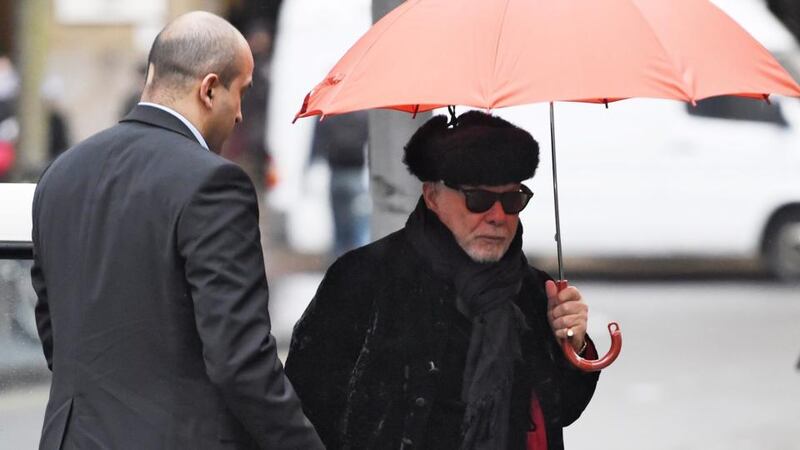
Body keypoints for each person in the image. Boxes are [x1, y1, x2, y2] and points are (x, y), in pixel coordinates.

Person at [30, 11, 323, 450]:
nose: (241, 114)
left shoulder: (60, 175)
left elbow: (55, 334)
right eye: (241, 92)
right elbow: (239, 361)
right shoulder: (213, 183)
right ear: (208, 89)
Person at [285, 111, 600, 450]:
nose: (497, 217)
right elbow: (305, 406)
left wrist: (574, 345)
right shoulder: (363, 278)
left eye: (512, 200)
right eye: (478, 199)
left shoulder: (534, 290)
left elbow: (561, 410)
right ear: (432, 196)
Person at [309, 111, 370, 258]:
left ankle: (339, 265)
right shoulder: (362, 113)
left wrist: (312, 165)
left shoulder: (327, 112)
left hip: (336, 173)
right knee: (358, 228)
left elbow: (317, 142)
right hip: (356, 174)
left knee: (339, 229)